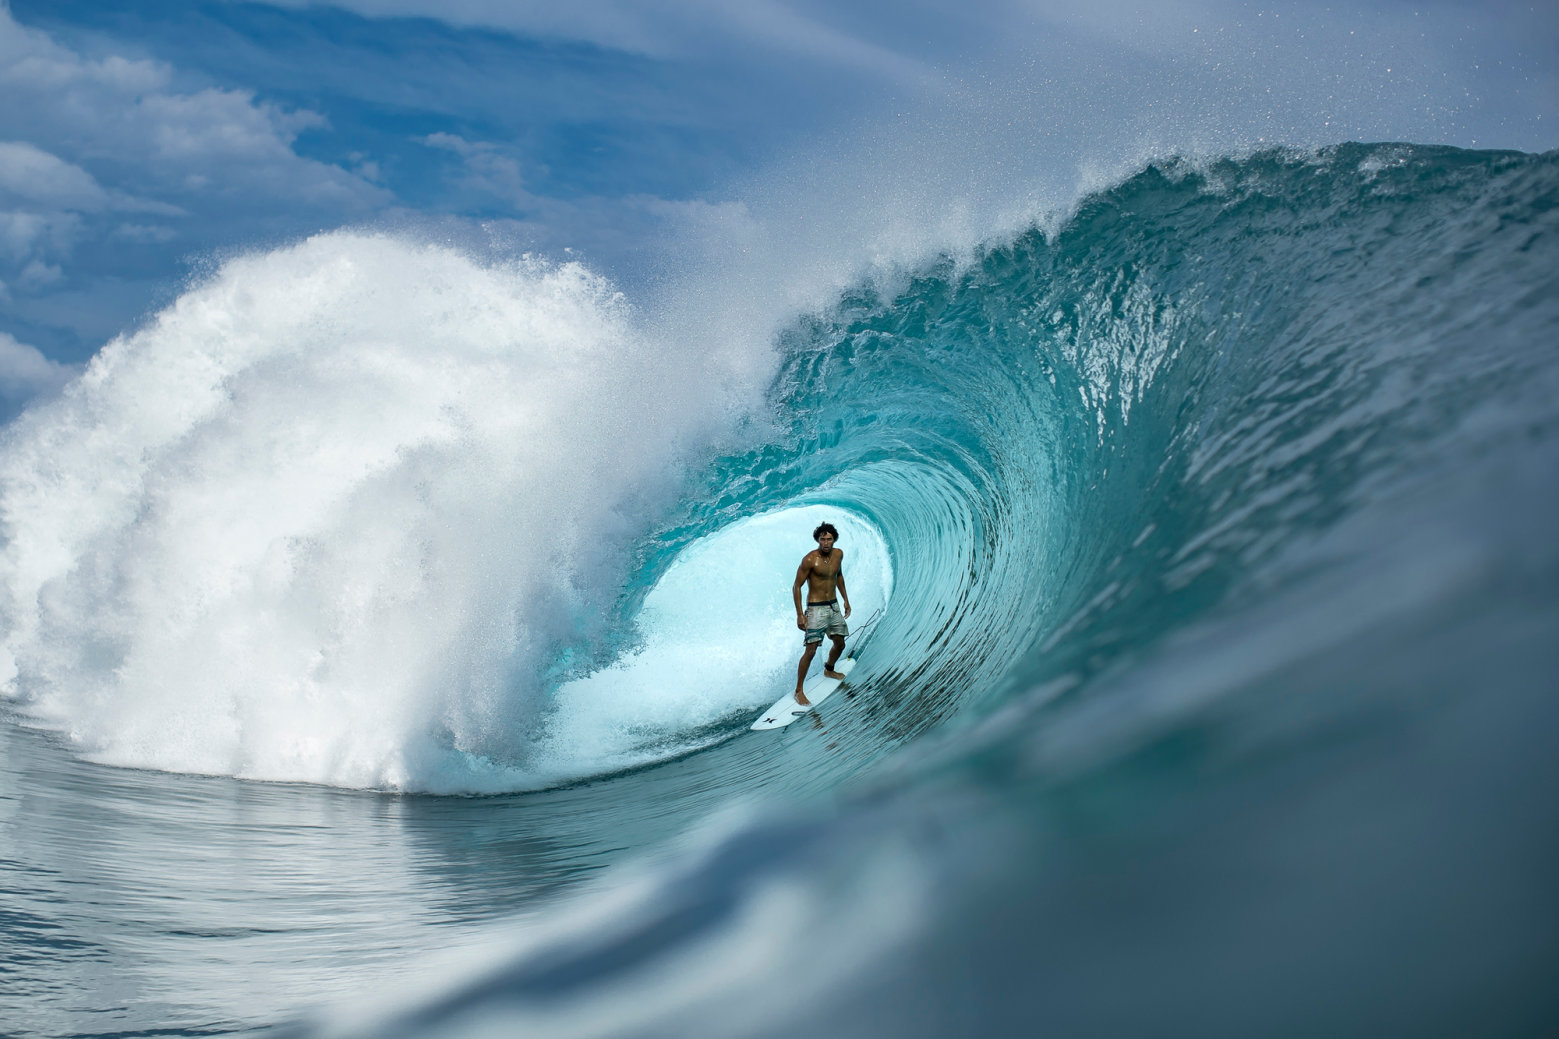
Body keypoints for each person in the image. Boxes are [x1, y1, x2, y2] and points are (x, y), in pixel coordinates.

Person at [792, 522, 851, 705]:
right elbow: (797, 586)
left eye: (829, 539)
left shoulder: (838, 555)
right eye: (822, 539)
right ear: (818, 539)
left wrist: (846, 600)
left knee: (840, 643)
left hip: (833, 606)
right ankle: (798, 690)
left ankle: (829, 669)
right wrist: (800, 614)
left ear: (834, 540)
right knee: (810, 650)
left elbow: (838, 576)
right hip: (816, 608)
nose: (826, 542)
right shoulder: (810, 559)